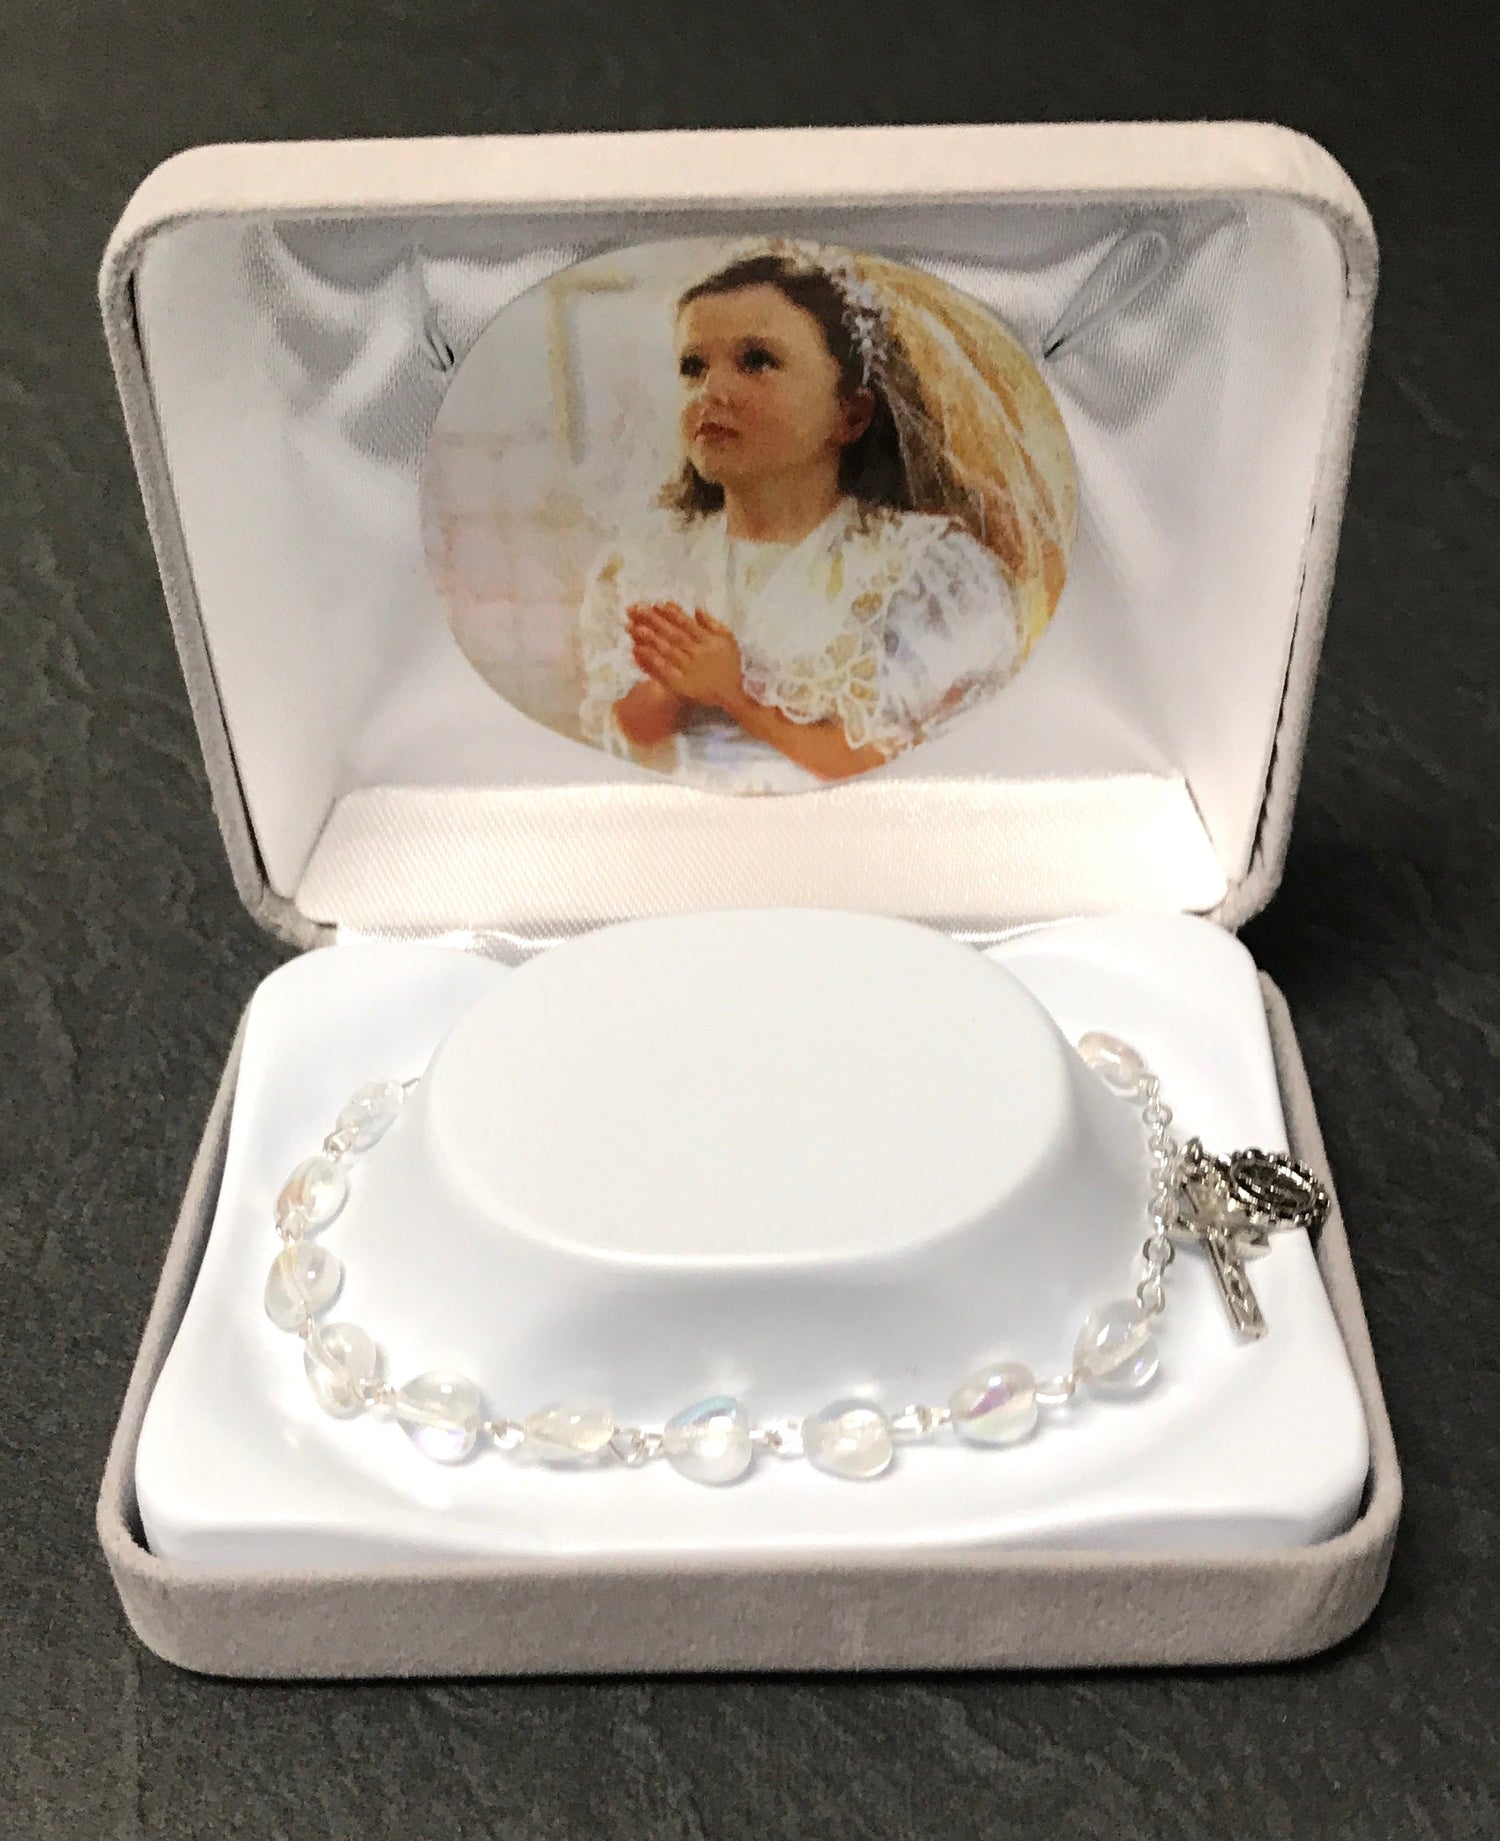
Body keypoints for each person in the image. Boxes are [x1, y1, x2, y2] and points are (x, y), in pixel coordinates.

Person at [577, 246, 1048, 792]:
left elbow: (905, 765)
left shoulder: (916, 571)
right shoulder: (651, 561)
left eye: (757, 361)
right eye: (693, 367)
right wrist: (673, 686)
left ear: (851, 414)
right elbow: (630, 733)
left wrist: (737, 695)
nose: (713, 392)